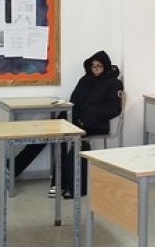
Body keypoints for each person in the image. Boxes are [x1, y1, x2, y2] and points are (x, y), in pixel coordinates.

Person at [14, 50, 123, 197]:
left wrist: (90, 112)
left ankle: (59, 183)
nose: (95, 69)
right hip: (75, 119)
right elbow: (74, 100)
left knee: (62, 138)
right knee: (47, 133)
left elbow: (115, 110)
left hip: (95, 124)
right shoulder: (85, 80)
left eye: (99, 66)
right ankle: (13, 168)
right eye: (93, 66)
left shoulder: (114, 83)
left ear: (106, 67)